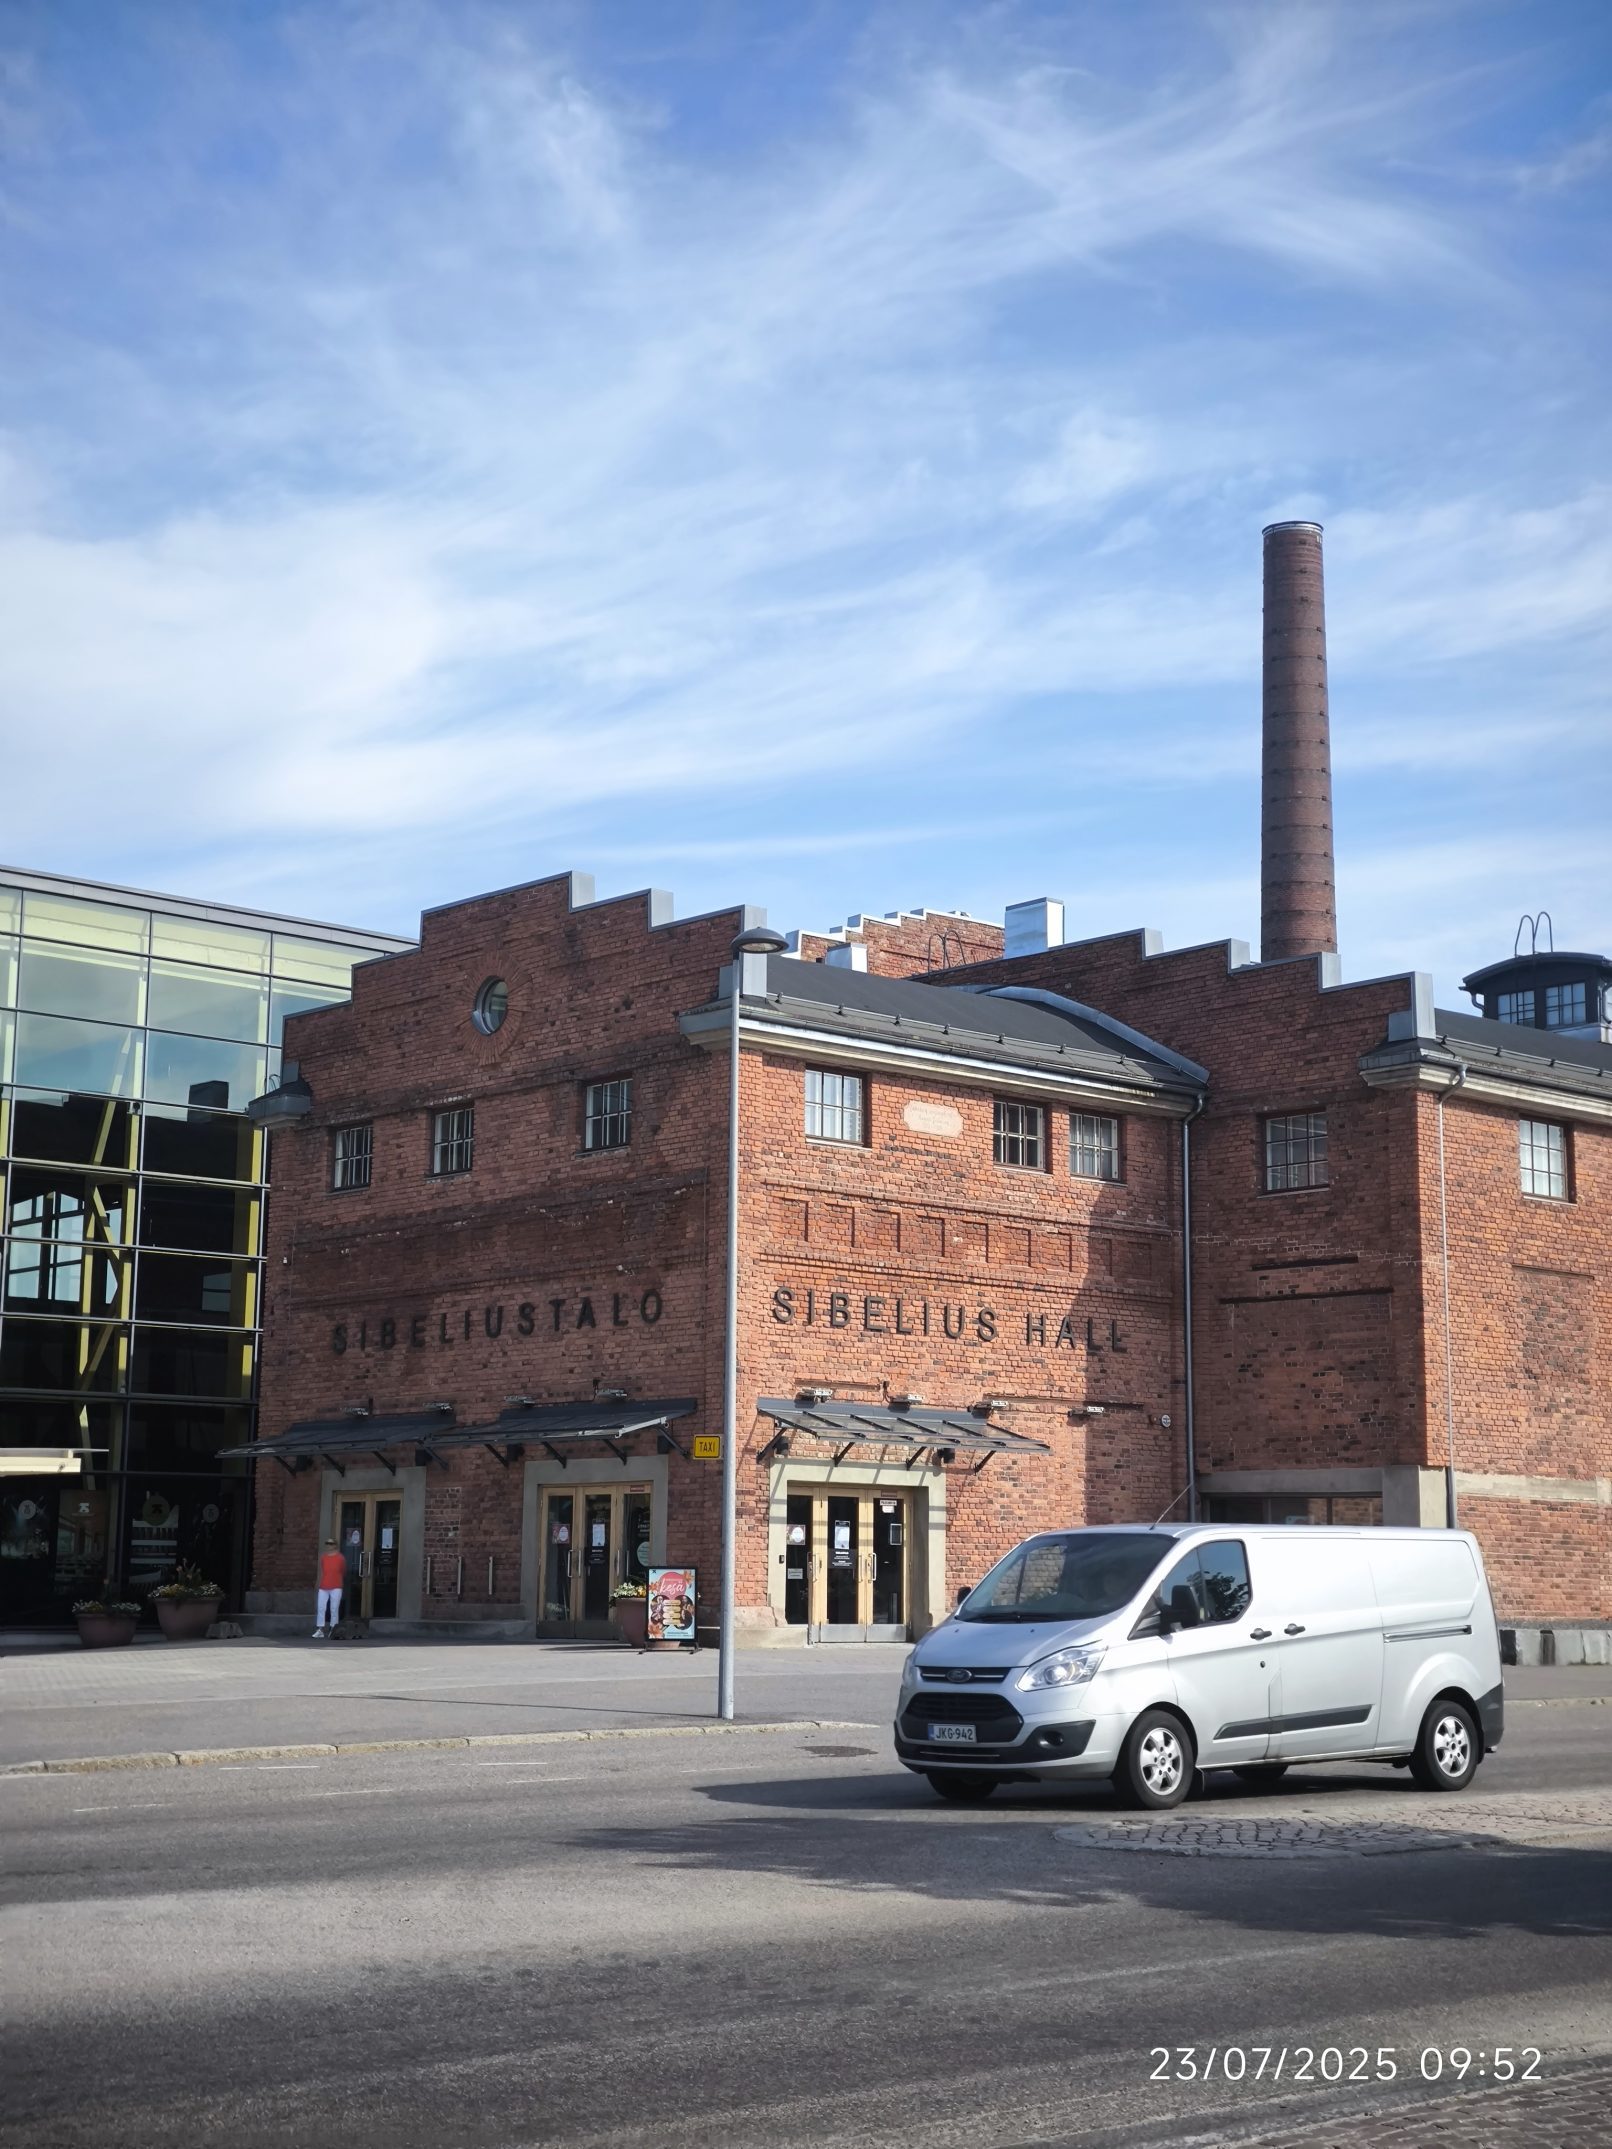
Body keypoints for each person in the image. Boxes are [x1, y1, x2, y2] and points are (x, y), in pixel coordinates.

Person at [314, 1537, 346, 1638]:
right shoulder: (323, 1557)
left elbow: (343, 1571)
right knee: (321, 1607)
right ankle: (320, 1629)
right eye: (327, 1543)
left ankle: (333, 1628)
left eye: (331, 1543)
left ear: (335, 1545)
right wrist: (318, 1582)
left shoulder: (340, 1558)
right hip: (324, 1585)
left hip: (336, 1586)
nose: (328, 1545)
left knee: (334, 1608)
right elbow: (321, 1571)